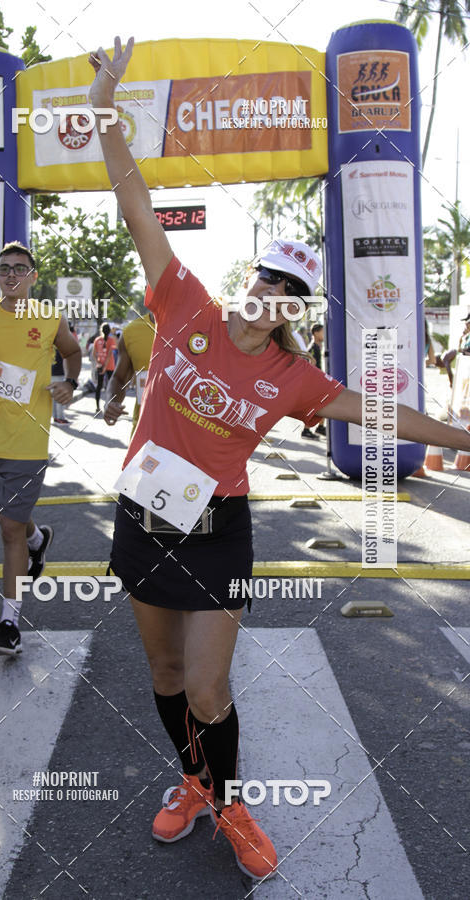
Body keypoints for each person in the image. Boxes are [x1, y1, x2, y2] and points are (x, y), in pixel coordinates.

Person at [89, 37, 470, 881]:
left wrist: (463, 436)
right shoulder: (182, 296)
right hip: (144, 517)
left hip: (218, 529)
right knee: (161, 670)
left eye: (289, 293)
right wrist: (106, 105)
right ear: (247, 277)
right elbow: (133, 201)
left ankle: (229, 804)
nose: (271, 297)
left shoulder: (292, 376)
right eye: (266, 279)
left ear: (297, 309)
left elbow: (379, 410)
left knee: (207, 689)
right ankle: (193, 781)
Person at [0, 241, 81, 656]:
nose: (12, 274)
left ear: (32, 276)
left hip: (28, 441)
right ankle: (37, 540)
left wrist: (70, 383)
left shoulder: (49, 317)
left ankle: (8, 624)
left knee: (7, 529)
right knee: (10, 520)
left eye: (20, 268)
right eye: (4, 268)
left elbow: (72, 352)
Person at [103, 299, 155, 435]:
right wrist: (111, 401)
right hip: (145, 440)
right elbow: (119, 379)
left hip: (190, 446)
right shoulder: (131, 332)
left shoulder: (200, 326)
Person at [302, 323, 326, 439]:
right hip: (314, 383)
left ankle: (320, 427)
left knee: (324, 405)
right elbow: (311, 365)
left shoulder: (318, 346)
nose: (324, 334)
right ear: (316, 333)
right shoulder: (313, 347)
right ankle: (306, 429)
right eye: (322, 331)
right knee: (317, 407)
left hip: (320, 381)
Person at [92, 322, 117, 412]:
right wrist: (105, 367)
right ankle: (108, 405)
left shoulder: (97, 340)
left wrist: (98, 363)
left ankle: (97, 407)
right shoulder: (112, 340)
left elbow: (94, 354)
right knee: (110, 387)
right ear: (109, 331)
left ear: (101, 330)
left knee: (99, 386)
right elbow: (110, 355)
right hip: (109, 366)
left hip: (100, 366)